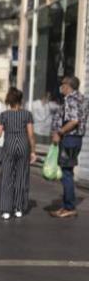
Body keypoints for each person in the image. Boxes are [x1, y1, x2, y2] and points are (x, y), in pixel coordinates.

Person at [0, 88, 36, 220]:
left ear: (9, 101)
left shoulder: (4, 115)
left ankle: (6, 210)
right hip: (23, 145)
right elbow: (31, 134)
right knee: (21, 176)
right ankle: (18, 208)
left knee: (7, 175)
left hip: (9, 145)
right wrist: (33, 151)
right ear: (20, 100)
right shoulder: (27, 114)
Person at [50, 76, 87, 218]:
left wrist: (59, 132)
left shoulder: (71, 99)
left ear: (68, 86)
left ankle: (69, 207)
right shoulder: (81, 98)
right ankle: (66, 206)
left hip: (70, 139)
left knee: (66, 173)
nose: (61, 87)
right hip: (75, 139)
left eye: (62, 84)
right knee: (67, 172)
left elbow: (74, 121)